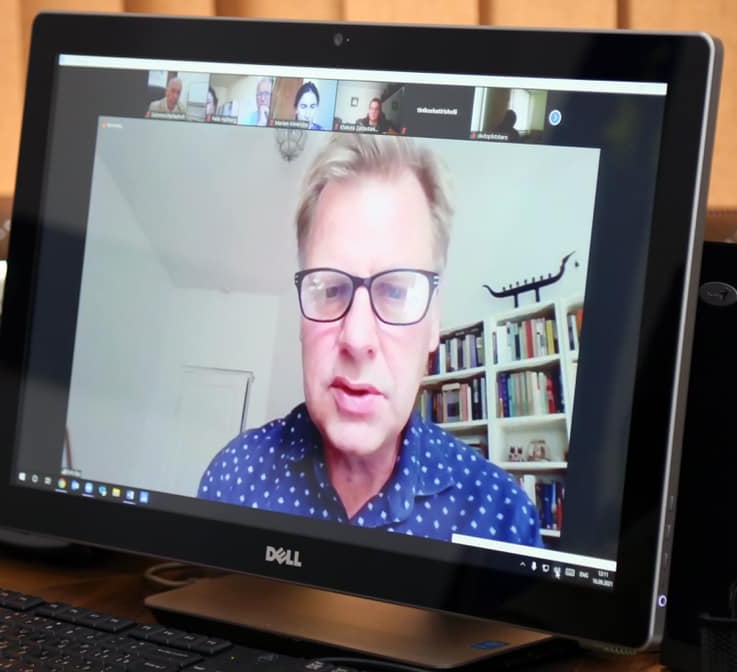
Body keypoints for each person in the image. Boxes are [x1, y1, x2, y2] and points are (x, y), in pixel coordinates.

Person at [198, 135, 543, 547]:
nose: (357, 338)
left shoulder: (503, 520)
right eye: (329, 288)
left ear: (433, 319)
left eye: (396, 291)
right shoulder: (234, 477)